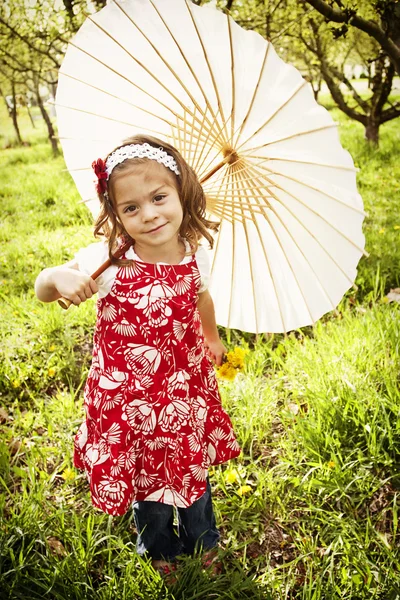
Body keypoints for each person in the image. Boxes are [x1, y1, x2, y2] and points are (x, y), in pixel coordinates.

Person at [35, 134, 240, 574]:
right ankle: (160, 549)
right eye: (131, 208)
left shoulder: (194, 256)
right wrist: (57, 278)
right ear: (115, 215)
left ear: (182, 192)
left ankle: (204, 542)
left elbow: (202, 299)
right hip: (128, 397)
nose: (149, 214)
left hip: (183, 387)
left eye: (159, 197)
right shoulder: (109, 262)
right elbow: (42, 290)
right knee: (149, 479)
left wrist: (211, 335)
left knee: (190, 468)